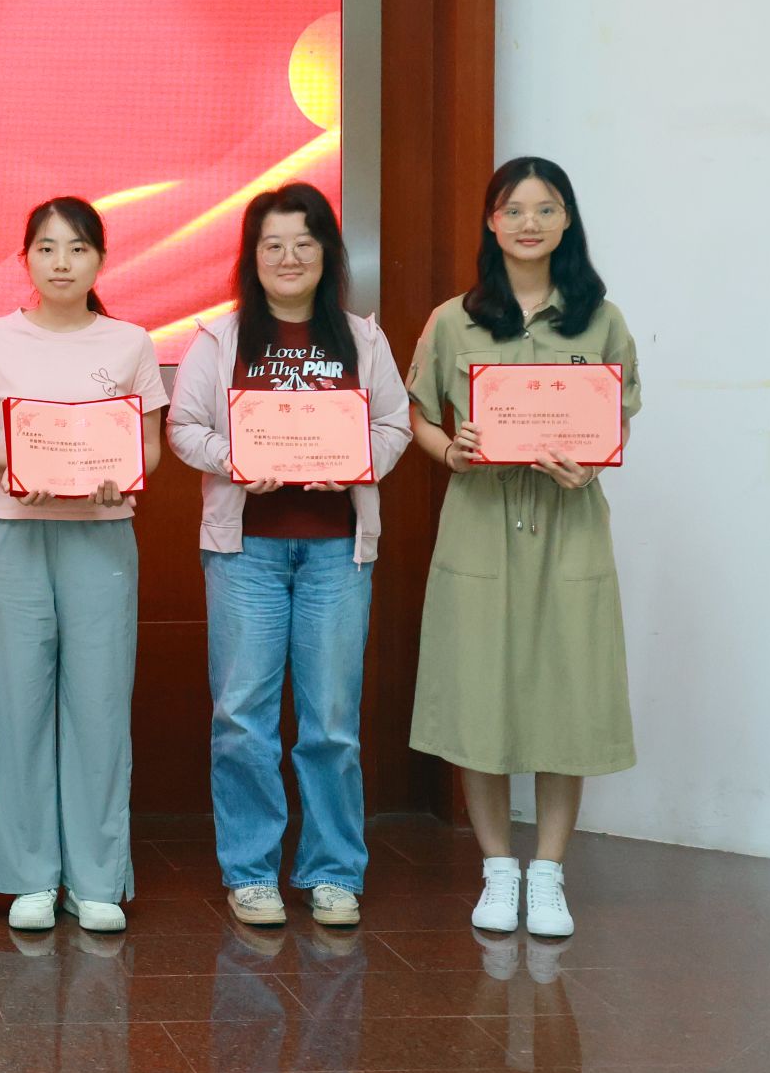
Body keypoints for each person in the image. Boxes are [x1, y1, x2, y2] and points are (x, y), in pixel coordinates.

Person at [406, 157, 639, 939]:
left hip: (568, 523)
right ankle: (498, 867)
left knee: (567, 691)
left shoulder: (600, 319)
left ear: (567, 219)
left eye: (545, 208)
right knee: (480, 691)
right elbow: (417, 414)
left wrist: (593, 460)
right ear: (492, 222)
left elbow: (617, 418)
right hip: (481, 521)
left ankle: (549, 873)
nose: (529, 222)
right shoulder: (453, 320)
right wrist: (451, 449)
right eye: (513, 209)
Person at [166, 183, 411, 928]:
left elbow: (395, 426)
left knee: (331, 719)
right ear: (252, 256)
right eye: (272, 244)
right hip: (246, 553)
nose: (288, 257)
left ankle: (333, 870)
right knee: (242, 716)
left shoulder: (362, 339)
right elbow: (184, 427)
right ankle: (251, 872)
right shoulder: (220, 340)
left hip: (339, 552)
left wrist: (354, 463)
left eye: (304, 242)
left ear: (327, 253)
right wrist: (236, 459)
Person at [0, 196, 166, 934]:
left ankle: (97, 879)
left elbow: (149, 448)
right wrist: (10, 462)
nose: (61, 262)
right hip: (13, 534)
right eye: (46, 248)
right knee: (16, 705)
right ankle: (29, 876)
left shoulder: (130, 342)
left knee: (100, 706)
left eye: (76, 248)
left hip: (101, 536)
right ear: (26, 259)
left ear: (100, 259)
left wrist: (121, 475)